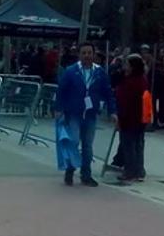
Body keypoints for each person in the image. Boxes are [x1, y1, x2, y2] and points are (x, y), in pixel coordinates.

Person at [54, 42, 117, 187]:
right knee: (74, 142)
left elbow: (108, 93)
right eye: (84, 53)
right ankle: (70, 170)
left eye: (89, 53)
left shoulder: (100, 72)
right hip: (74, 113)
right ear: (79, 55)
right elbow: (61, 90)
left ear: (94, 54)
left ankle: (86, 174)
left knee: (88, 145)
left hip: (90, 115)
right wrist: (59, 108)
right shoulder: (71, 71)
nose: (87, 56)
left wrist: (112, 111)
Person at [115, 54, 148, 182]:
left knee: (129, 145)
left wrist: (120, 118)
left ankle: (130, 171)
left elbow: (126, 101)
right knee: (138, 145)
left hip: (130, 117)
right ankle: (139, 170)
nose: (124, 67)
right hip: (140, 118)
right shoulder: (142, 80)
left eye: (127, 64)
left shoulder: (131, 82)